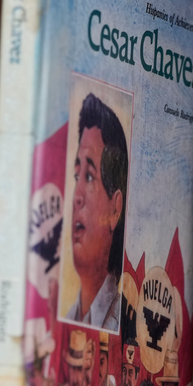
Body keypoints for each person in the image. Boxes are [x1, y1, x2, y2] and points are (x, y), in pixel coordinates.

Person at [65, 92, 128, 331]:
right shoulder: (68, 318)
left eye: (89, 176)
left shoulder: (125, 325)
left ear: (115, 209)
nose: (76, 196)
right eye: (76, 175)